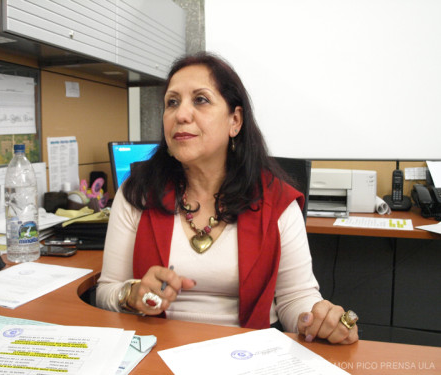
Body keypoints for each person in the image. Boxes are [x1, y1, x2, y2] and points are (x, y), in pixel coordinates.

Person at [96, 52, 359, 345]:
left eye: (200, 100)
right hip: (155, 352)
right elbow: (106, 290)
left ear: (235, 120)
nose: (181, 115)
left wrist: (316, 320)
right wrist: (129, 294)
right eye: (172, 102)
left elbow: (294, 297)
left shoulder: (277, 201)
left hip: (245, 355)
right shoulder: (137, 193)